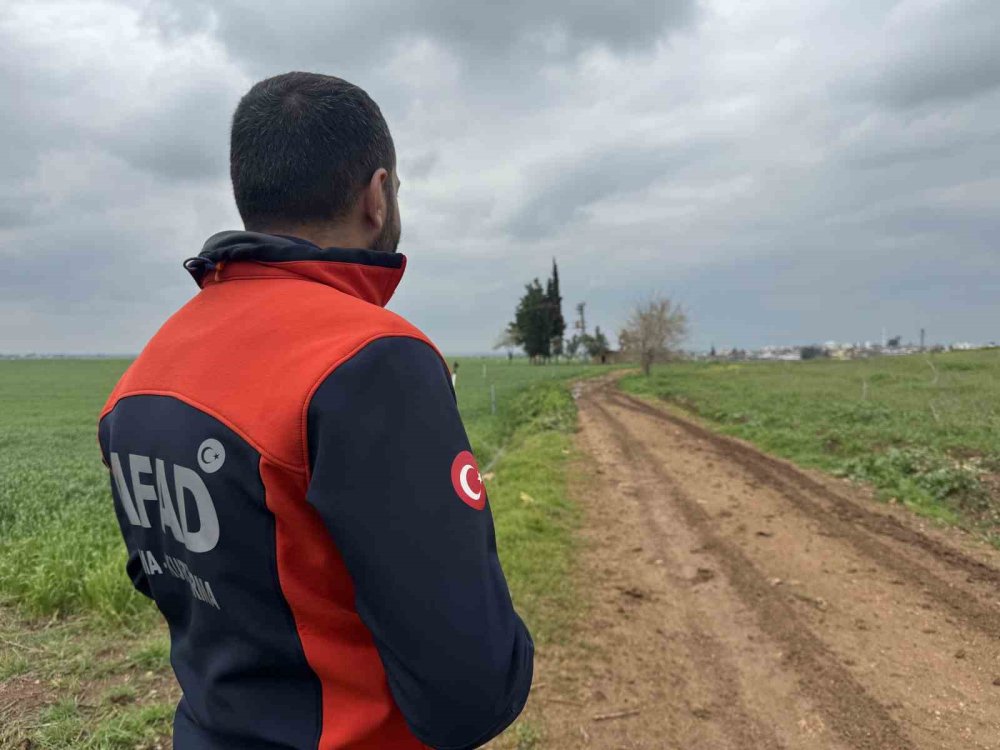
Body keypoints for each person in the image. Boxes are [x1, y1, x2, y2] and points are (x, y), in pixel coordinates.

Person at [97, 72, 533, 750]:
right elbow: (470, 690)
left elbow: (169, 578)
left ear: (249, 197)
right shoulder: (371, 359)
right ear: (378, 196)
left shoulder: (143, 375)